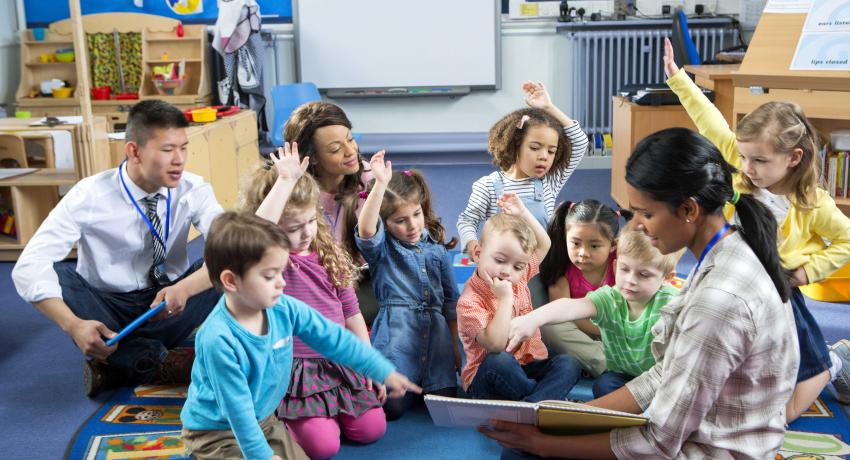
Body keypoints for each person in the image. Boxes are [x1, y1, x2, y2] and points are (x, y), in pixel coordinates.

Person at [480, 128, 799, 459]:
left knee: (521, 452)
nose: (638, 227)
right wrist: (571, 417)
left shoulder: (718, 302)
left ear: (689, 210)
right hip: (703, 433)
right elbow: (666, 373)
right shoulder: (730, 249)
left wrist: (543, 443)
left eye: (647, 214)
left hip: (709, 450)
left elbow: (658, 443)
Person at [663, 38, 850, 416]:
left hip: (779, 292)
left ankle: (835, 363)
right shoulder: (740, 164)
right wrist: (678, 79)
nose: (747, 168)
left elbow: (846, 240)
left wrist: (805, 272)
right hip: (733, 281)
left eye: (760, 160)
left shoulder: (812, 202)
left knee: (787, 413)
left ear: (793, 158)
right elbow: (710, 122)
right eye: (745, 157)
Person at [11, 100, 223, 396]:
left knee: (228, 265)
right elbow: (28, 265)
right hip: (106, 311)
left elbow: (233, 247)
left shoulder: (194, 189)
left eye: (183, 147)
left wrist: (186, 288)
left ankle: (119, 363)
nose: (179, 159)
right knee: (59, 273)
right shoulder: (89, 194)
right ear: (134, 151)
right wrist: (72, 325)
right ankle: (158, 361)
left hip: (169, 305)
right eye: (167, 150)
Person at [180, 211, 420, 460]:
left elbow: (333, 339)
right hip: (215, 432)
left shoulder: (283, 307)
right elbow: (237, 409)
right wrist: (261, 456)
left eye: (281, 272)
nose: (282, 283)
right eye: (269, 276)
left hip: (263, 420)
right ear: (231, 281)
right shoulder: (218, 339)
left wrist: (379, 369)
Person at [240, 143, 387, 459]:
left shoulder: (328, 253)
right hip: (293, 371)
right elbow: (256, 230)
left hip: (337, 363)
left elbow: (351, 312)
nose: (305, 233)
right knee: (323, 447)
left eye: (310, 221)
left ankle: (321, 414)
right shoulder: (267, 262)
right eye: (292, 228)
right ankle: (280, 416)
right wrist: (284, 182)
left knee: (372, 429)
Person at [510, 227, 683, 398]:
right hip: (626, 375)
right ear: (615, 266)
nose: (630, 280)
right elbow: (570, 307)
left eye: (643, 275)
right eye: (624, 269)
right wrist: (532, 319)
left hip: (662, 377)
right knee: (604, 385)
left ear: (667, 277)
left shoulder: (671, 302)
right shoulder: (611, 298)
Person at [355, 152, 461, 419]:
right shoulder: (383, 250)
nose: (412, 225)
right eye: (400, 221)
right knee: (392, 409)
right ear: (386, 224)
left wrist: (456, 351)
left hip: (437, 347)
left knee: (445, 407)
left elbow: (451, 305)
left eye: (416, 214)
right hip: (397, 343)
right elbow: (366, 231)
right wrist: (379, 186)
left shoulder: (436, 252)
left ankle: (426, 385)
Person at [457, 193, 581, 402]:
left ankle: (531, 403)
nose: (507, 271)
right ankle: (543, 400)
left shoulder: (519, 276)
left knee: (569, 364)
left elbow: (545, 245)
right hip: (487, 377)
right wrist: (505, 300)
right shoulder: (469, 302)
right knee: (500, 362)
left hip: (526, 366)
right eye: (499, 260)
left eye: (517, 266)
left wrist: (523, 213)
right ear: (478, 253)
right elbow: (496, 345)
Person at [457, 81, 589, 262]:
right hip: (503, 270)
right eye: (535, 147)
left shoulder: (549, 181)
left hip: (542, 269)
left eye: (551, 151)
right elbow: (467, 220)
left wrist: (548, 107)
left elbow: (581, 142)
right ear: (515, 145)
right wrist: (471, 243)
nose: (544, 156)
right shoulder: (488, 185)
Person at [283, 101, 381, 324]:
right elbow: (255, 237)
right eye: (336, 149)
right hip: (310, 281)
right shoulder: (295, 189)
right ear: (313, 157)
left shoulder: (370, 179)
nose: (350, 152)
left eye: (350, 139)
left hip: (361, 281)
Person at [537, 199, 625, 377]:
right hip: (584, 335)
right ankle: (610, 365)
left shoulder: (621, 263)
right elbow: (564, 316)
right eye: (575, 244)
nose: (583, 253)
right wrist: (604, 332)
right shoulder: (561, 274)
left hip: (624, 330)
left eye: (594, 246)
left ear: (612, 245)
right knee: (550, 328)